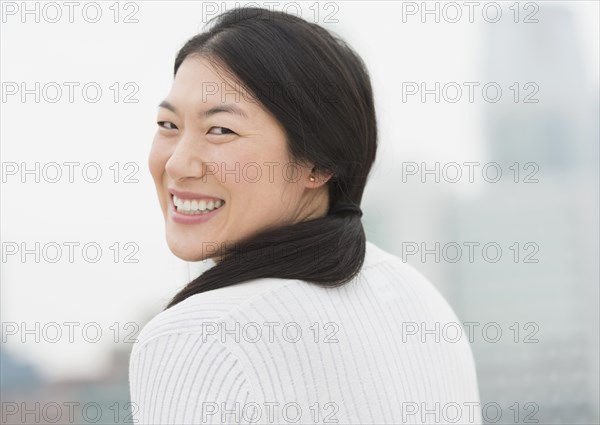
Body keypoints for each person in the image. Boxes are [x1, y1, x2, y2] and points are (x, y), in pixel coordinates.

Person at [129, 7, 481, 424]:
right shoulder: (418, 300)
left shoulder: (196, 336)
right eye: (168, 124)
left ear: (317, 164)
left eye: (220, 130)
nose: (177, 164)